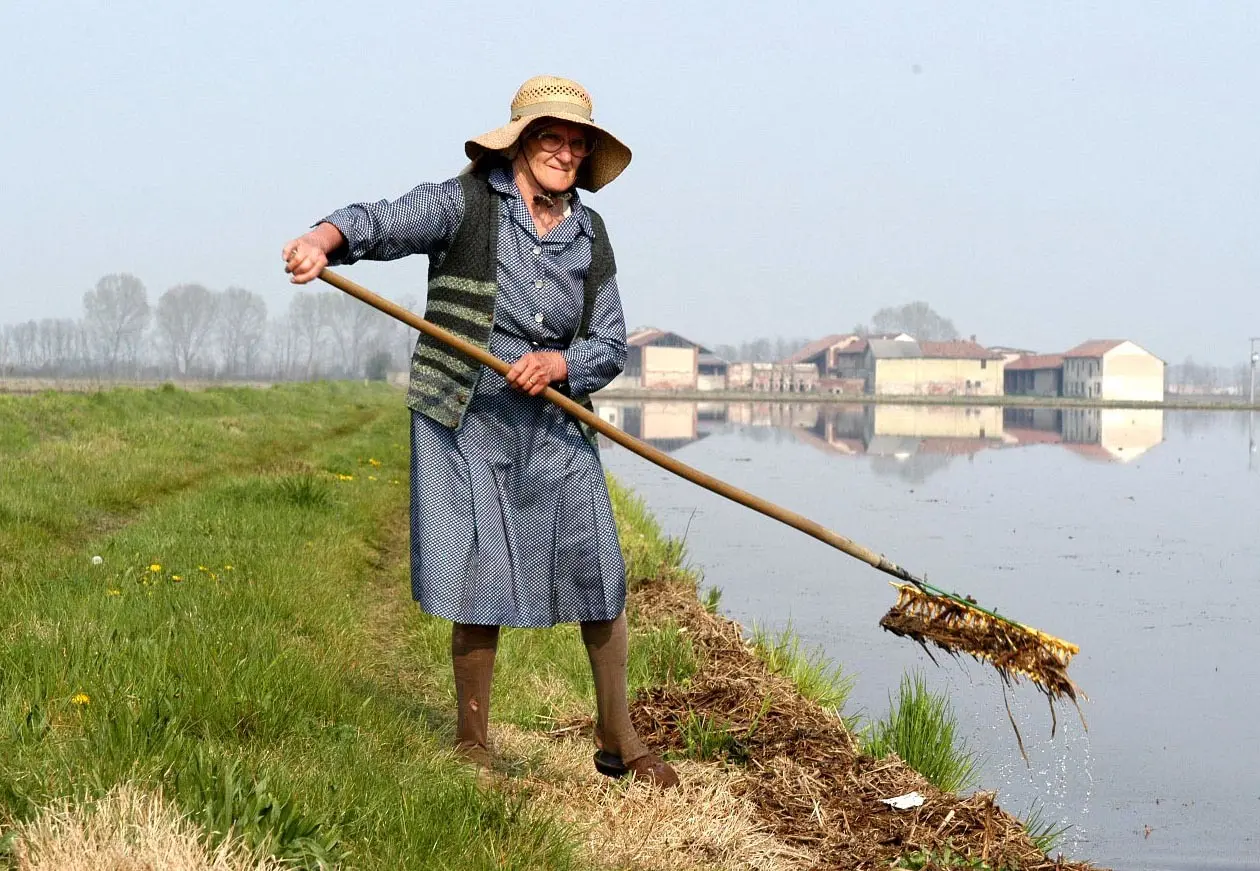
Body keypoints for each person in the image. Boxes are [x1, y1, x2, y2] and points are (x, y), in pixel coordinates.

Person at [282, 75, 678, 788]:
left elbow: (611, 343)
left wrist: (561, 361)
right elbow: (380, 219)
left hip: (555, 423)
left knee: (600, 569)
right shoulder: (465, 203)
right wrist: (322, 239)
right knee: (479, 572)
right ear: (521, 142)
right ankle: (473, 740)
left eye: (575, 142)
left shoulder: (591, 233)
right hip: (470, 418)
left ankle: (618, 736)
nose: (563, 151)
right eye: (549, 137)